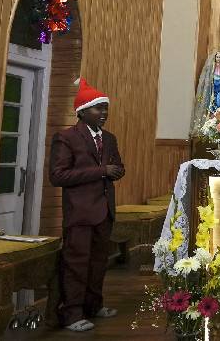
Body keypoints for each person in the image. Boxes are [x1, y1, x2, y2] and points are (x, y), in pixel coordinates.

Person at [49, 79, 125, 332]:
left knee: (98, 263)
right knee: (76, 263)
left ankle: (94, 305)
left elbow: (118, 166)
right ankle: (71, 314)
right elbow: (58, 176)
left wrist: (116, 172)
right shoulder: (66, 137)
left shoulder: (110, 138)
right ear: (82, 111)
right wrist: (102, 171)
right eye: (98, 108)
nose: (103, 113)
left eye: (106, 108)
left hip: (104, 211)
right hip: (80, 212)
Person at [190, 50, 220, 137]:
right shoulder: (211, 67)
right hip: (213, 88)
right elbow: (207, 78)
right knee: (212, 103)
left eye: (219, 57)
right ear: (215, 58)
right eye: (217, 57)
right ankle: (211, 121)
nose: (218, 58)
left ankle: (219, 120)